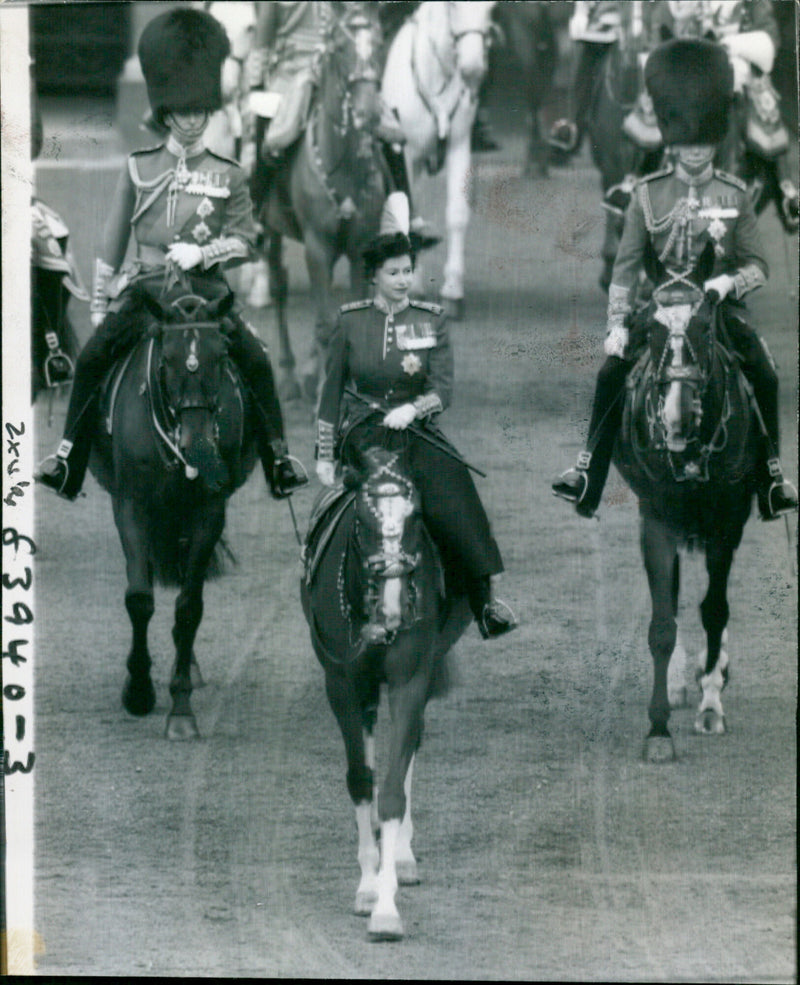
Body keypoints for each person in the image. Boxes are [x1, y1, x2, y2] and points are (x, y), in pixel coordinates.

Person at [34, 7, 307, 502]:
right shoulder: (139, 169)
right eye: (183, 112)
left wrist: (204, 254)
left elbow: (248, 239)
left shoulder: (228, 173)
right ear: (166, 113)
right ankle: (68, 457)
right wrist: (99, 304)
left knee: (257, 359)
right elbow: (113, 242)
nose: (192, 120)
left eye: (200, 112)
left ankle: (279, 459)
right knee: (94, 357)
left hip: (208, 295)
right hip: (147, 289)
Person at [552, 37, 797, 522]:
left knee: (764, 373)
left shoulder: (734, 194)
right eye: (686, 145)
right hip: (658, 304)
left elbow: (759, 266)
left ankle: (771, 476)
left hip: (718, 308)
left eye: (703, 145)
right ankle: (588, 474)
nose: (695, 155)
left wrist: (729, 285)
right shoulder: (647, 194)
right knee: (609, 374)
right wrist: (619, 323)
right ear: (671, 140)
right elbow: (624, 267)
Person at [314, 192, 517, 640]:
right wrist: (324, 454)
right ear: (373, 276)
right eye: (394, 273)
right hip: (363, 433)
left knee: (455, 492)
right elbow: (329, 394)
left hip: (417, 433)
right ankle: (317, 578)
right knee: (345, 509)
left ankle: (484, 601)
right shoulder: (348, 323)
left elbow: (443, 389)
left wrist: (414, 409)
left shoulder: (432, 321)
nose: (404, 280)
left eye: (408, 271)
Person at [548, 1, 621, 159]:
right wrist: (583, 14)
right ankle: (574, 129)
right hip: (601, 28)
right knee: (581, 79)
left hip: (639, 22)